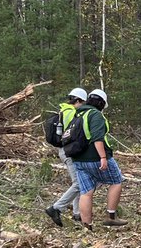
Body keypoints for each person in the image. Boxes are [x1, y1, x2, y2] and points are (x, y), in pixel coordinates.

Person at [67, 88, 125, 229]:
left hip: (78, 159)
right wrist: (103, 157)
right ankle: (111, 217)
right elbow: (97, 138)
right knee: (117, 181)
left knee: (86, 192)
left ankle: (87, 226)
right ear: (101, 103)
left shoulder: (78, 113)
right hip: (95, 157)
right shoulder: (96, 115)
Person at [44, 87, 87, 227]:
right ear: (79, 100)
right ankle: (56, 208)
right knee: (79, 183)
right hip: (69, 151)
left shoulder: (64, 110)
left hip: (67, 151)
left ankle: (77, 213)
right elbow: (72, 133)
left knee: (79, 181)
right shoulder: (70, 113)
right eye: (83, 102)